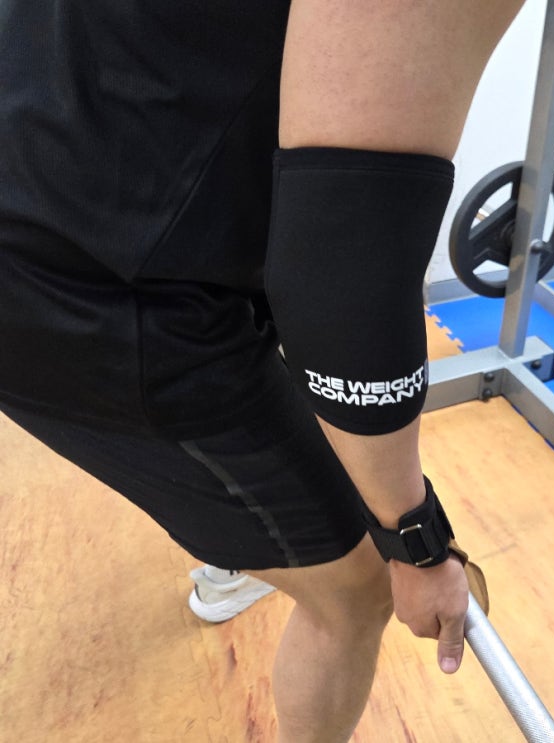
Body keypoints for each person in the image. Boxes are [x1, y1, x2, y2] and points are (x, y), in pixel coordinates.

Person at [0, 1, 524, 741]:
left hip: (62, 173)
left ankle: (240, 554)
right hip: (80, 286)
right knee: (357, 591)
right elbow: (340, 280)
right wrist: (417, 544)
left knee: (302, 429)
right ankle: (255, 556)